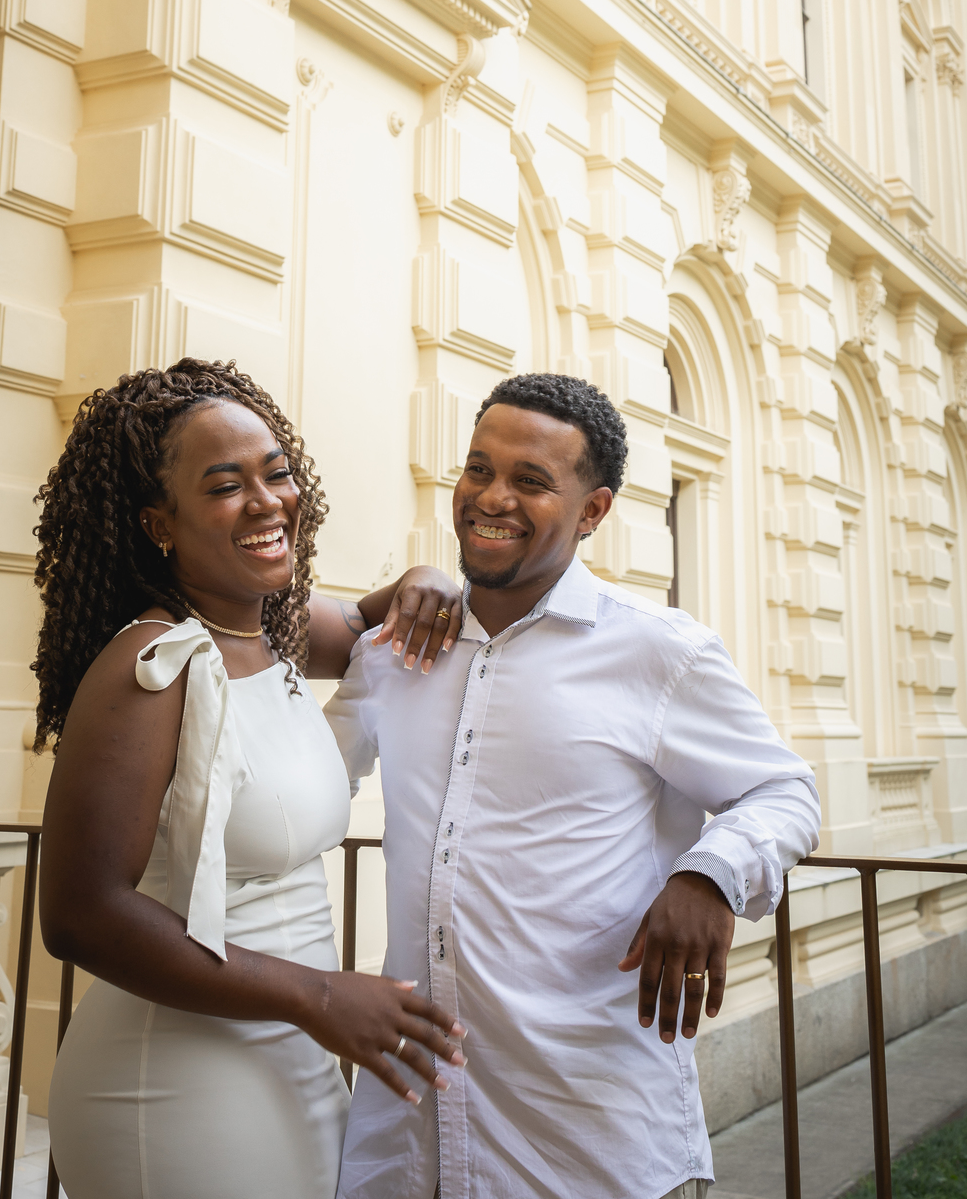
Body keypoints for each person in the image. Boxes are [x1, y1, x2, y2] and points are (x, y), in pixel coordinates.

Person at [325, 371, 821, 1199]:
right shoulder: (393, 651)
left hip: (591, 1141)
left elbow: (785, 793)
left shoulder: (661, 653)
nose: (491, 497)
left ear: (592, 512)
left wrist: (709, 875)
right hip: (408, 1142)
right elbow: (299, 783)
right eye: (478, 469)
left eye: (530, 481)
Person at [37, 358, 468, 1199]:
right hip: (180, 1077)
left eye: (277, 472)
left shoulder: (267, 629)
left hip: (292, 1050)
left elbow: (371, 619)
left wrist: (424, 578)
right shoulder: (152, 664)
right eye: (225, 486)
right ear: (161, 522)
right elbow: (81, 915)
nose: (267, 502)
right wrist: (318, 996)